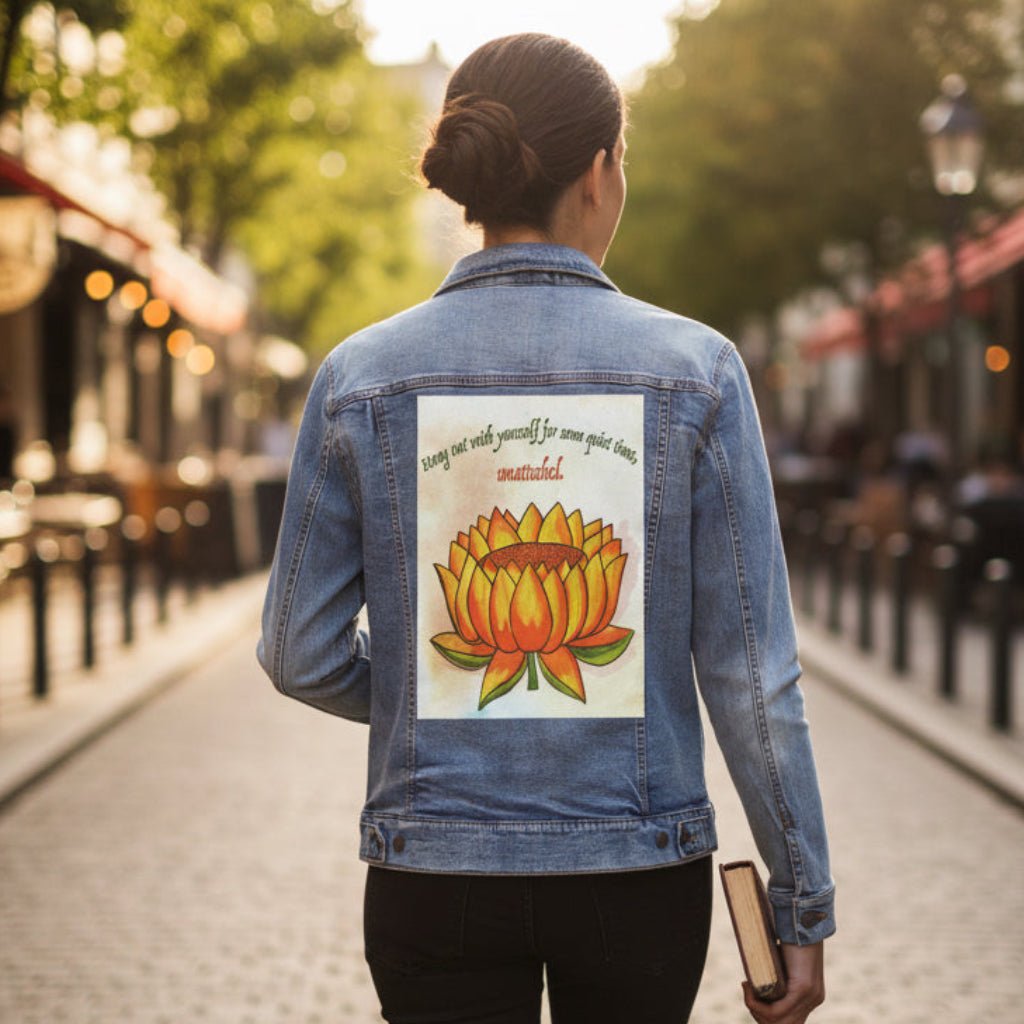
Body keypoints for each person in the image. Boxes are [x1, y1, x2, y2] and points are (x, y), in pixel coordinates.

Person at [258, 32, 833, 1024]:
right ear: (601, 172)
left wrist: (446, 691)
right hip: (637, 871)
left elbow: (296, 651)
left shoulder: (360, 375)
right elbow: (750, 673)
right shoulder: (695, 371)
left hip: (430, 872)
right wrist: (797, 898)